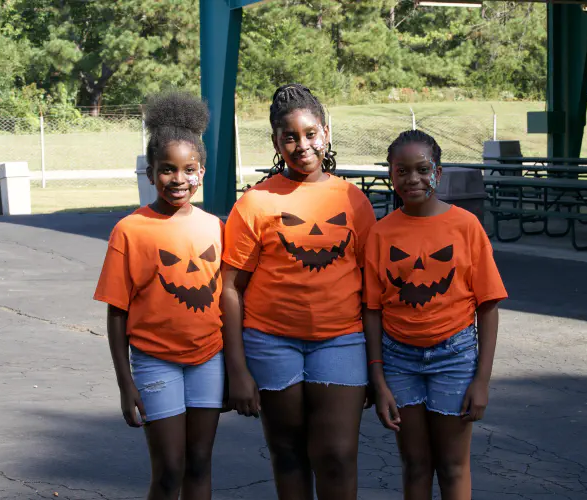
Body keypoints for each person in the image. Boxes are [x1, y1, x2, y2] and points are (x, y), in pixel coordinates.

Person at [221, 83, 377, 500]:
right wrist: (237, 369)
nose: (301, 145)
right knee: (288, 454)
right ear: (275, 141)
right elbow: (230, 287)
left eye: (310, 134)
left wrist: (377, 367)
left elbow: (372, 288)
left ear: (325, 133)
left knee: (338, 456)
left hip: (341, 341)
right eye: (289, 137)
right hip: (271, 344)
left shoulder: (353, 200)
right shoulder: (254, 203)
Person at [93, 92, 225, 500]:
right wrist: (124, 382)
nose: (179, 179)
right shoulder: (130, 231)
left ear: (201, 172)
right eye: (167, 170)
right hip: (154, 363)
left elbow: (231, 299)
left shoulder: (216, 228)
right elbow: (117, 314)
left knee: (200, 466)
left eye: (189, 169)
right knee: (169, 470)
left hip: (209, 359)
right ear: (150, 173)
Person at [364, 130, 507, 500]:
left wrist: (482, 381)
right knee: (415, 463)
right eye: (402, 171)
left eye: (422, 169)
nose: (413, 179)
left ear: (438, 173)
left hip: (455, 358)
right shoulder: (380, 234)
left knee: (453, 465)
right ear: (391, 176)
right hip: (399, 361)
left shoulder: (466, 227)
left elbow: (488, 305)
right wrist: (378, 380)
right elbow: (373, 310)